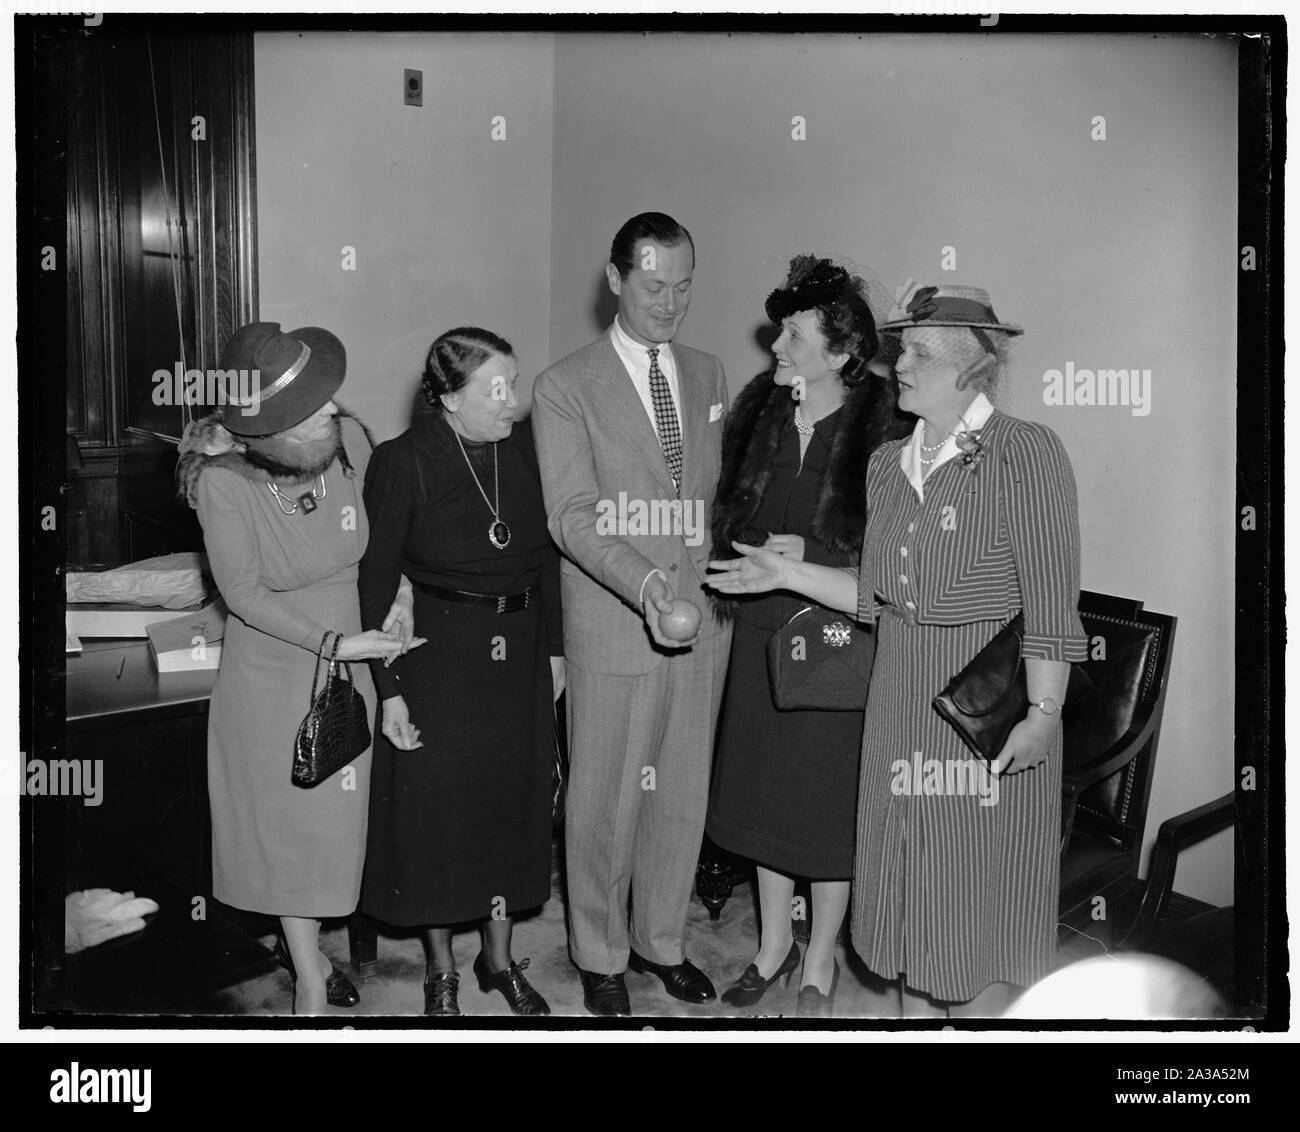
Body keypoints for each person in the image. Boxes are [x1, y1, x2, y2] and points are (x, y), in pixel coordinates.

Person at [707, 282, 1088, 1017]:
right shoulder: (888, 463)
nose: (897, 364)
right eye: (900, 349)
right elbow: (875, 596)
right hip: (895, 711)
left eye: (917, 352)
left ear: (972, 366)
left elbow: (1050, 604)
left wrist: (1044, 714)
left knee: (969, 919)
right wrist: (786, 574)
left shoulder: (1024, 452)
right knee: (911, 910)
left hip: (979, 724)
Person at [177, 322, 419, 1015]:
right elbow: (245, 595)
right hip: (275, 673)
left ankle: (308, 953)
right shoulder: (224, 484)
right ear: (269, 429)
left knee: (332, 827)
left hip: (351, 660)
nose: (333, 410)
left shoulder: (351, 446)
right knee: (288, 827)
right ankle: (309, 973)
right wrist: (333, 644)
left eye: (328, 395)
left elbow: (383, 546)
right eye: (312, 406)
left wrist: (400, 594)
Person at [531, 212, 732, 1016]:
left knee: (680, 794)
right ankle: (599, 951)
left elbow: (711, 495)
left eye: (683, 287)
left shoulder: (710, 373)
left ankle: (661, 941)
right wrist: (646, 585)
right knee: (606, 798)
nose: (669, 303)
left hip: (702, 623)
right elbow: (572, 516)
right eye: (653, 286)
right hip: (617, 617)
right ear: (615, 279)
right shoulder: (564, 386)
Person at [706, 255, 910, 1017]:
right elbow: (730, 518)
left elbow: (896, 559)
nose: (777, 347)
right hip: (760, 635)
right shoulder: (757, 413)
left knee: (823, 809)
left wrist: (811, 556)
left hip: (836, 643)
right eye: (780, 332)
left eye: (795, 335)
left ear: (842, 350)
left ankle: (820, 955)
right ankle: (771, 946)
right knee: (767, 803)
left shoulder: (887, 430)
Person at [357, 327, 561, 1017]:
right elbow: (375, 582)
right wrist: (389, 690)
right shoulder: (403, 461)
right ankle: (440, 970)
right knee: (439, 815)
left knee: (510, 804)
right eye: (494, 389)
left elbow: (549, 560)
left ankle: (498, 961)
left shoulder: (526, 450)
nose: (511, 400)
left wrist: (555, 653)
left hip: (521, 651)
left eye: (514, 383)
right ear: (448, 397)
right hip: (440, 655)